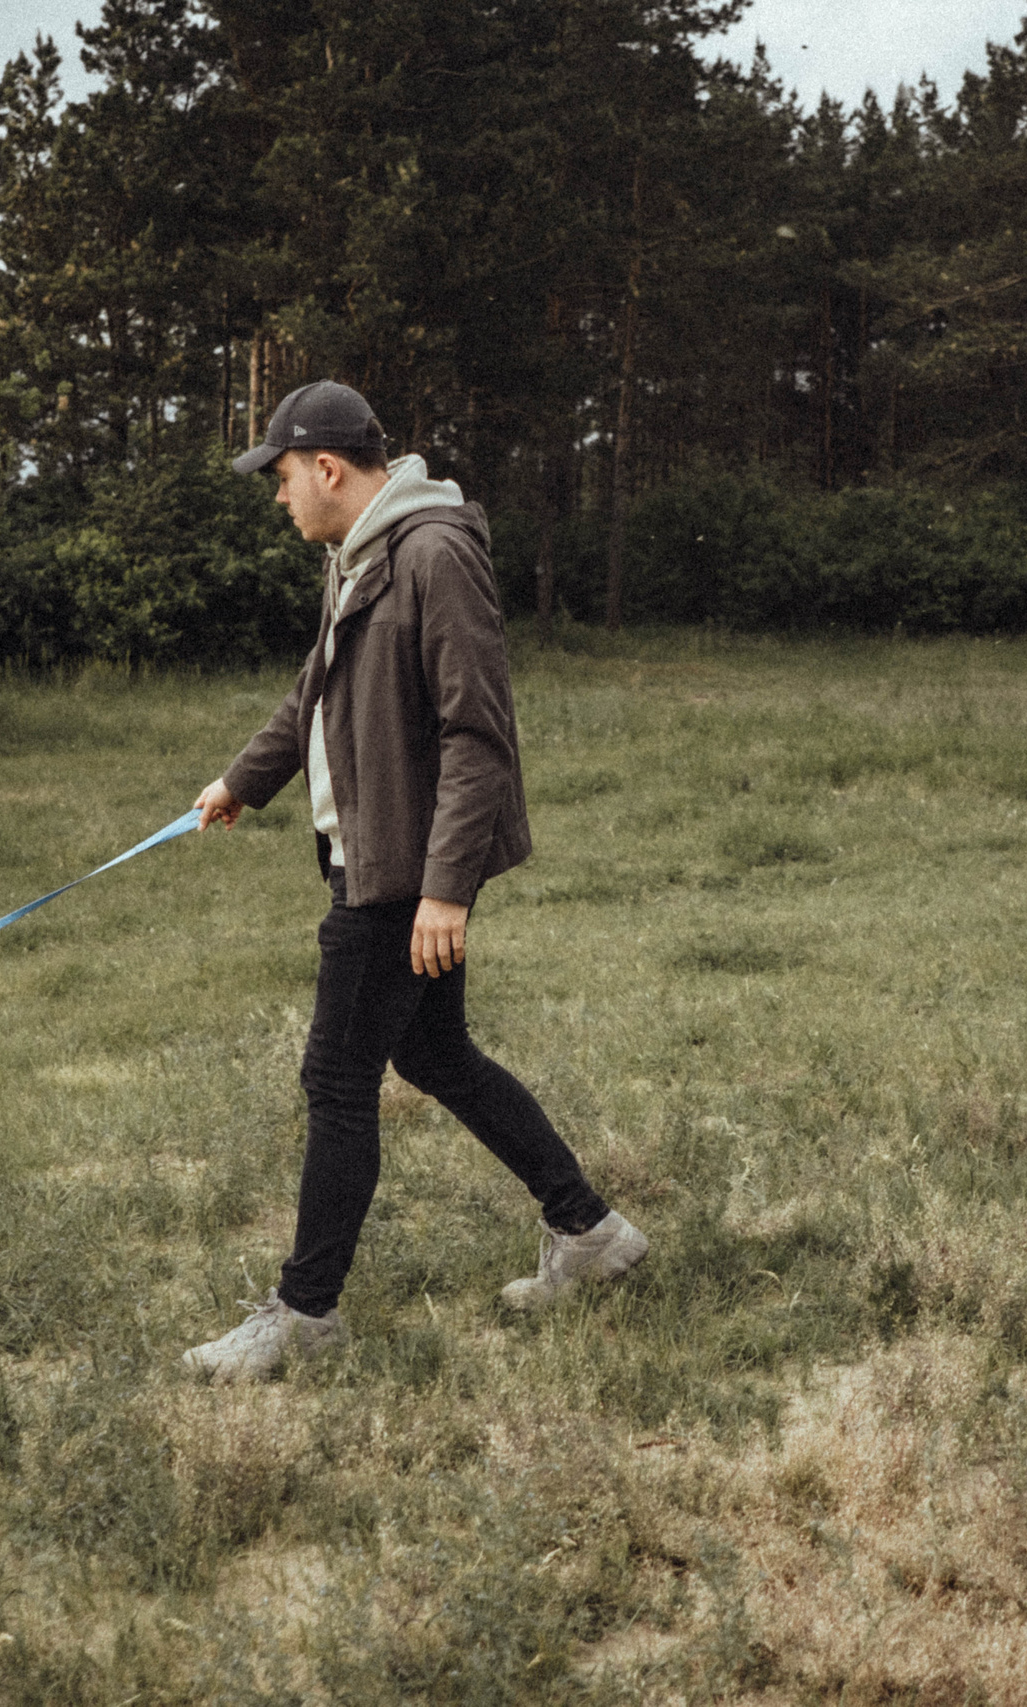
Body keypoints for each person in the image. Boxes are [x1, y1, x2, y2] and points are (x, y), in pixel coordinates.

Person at [180, 380, 648, 1384]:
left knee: (337, 1081)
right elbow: (317, 686)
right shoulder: (361, 554)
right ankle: (591, 1233)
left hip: (396, 871)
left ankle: (304, 1314)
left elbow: (478, 734)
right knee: (436, 1055)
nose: (277, 498)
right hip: (382, 855)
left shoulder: (432, 553)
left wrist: (445, 890)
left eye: (281, 477)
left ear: (328, 469)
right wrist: (244, 782)